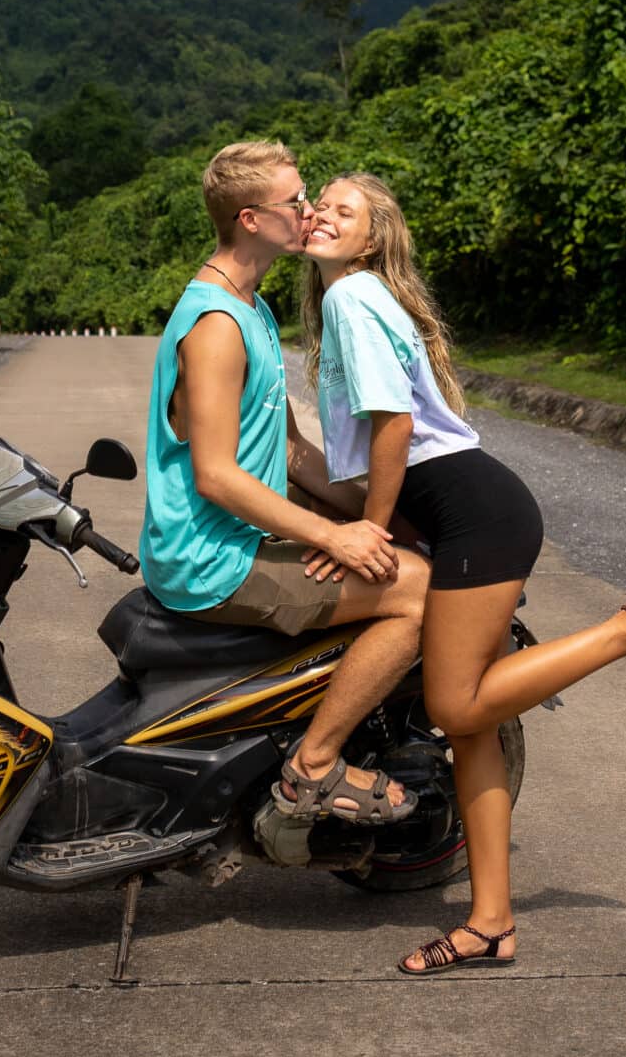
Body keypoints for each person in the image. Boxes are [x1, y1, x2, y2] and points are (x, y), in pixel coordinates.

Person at [301, 172, 626, 975]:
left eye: (342, 210)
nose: (321, 214)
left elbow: (392, 430)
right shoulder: (347, 299)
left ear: (372, 238)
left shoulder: (351, 298)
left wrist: (367, 532)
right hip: (466, 507)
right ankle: (490, 923)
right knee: (470, 723)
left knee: (455, 701)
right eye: (318, 202)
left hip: (472, 513)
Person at [138, 140, 430, 825]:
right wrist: (337, 535)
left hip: (234, 542)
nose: (307, 210)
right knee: (415, 590)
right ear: (249, 219)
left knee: (404, 553)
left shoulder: (250, 306)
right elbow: (215, 476)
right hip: (213, 559)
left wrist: (382, 518)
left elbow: (292, 452)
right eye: (293, 202)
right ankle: (314, 765)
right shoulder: (216, 325)